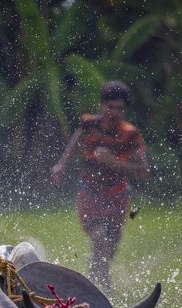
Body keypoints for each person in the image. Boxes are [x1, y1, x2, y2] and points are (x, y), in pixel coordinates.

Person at [51, 80, 149, 292]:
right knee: (98, 239)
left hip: (118, 195)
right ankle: (104, 291)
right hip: (89, 192)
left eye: (119, 108)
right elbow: (76, 140)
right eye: (110, 106)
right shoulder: (88, 124)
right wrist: (62, 163)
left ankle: (94, 278)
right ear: (101, 106)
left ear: (124, 110)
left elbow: (142, 170)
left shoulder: (130, 134)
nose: (114, 112)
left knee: (108, 248)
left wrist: (113, 162)